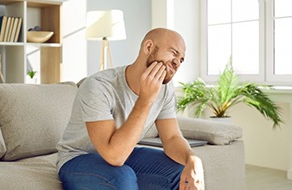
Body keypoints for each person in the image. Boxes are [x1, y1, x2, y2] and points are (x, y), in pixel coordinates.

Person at [56, 28, 204, 190]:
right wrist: (145, 99)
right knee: (122, 177)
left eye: (181, 60)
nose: (177, 63)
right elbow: (114, 156)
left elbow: (171, 138)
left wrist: (192, 159)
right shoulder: (98, 86)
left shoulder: (165, 89)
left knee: (182, 171)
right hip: (79, 158)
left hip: (125, 152)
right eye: (173, 53)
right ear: (148, 47)